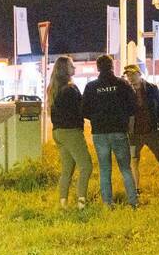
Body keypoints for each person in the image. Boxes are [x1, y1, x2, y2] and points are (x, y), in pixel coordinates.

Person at [81, 54, 138, 209]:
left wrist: (96, 117)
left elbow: (84, 110)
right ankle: (133, 202)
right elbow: (133, 107)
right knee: (125, 168)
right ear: (112, 66)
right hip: (119, 131)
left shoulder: (91, 87)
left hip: (99, 132)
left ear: (98, 67)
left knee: (105, 169)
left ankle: (107, 203)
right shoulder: (122, 84)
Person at [123, 64, 159, 197]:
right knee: (134, 160)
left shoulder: (152, 88)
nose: (130, 77)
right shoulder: (126, 91)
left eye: (132, 74)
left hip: (151, 131)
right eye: (128, 75)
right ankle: (136, 190)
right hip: (134, 133)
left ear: (139, 74)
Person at [48, 55, 92, 209]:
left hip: (58, 132)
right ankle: (81, 203)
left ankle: (63, 203)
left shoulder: (53, 88)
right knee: (86, 166)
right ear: (65, 69)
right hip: (71, 131)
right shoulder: (71, 88)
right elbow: (82, 109)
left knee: (67, 170)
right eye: (72, 65)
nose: (74, 68)